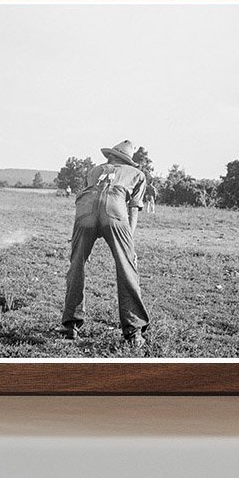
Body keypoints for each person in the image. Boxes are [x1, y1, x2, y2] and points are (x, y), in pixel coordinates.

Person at [60, 139, 149, 349]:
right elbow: (133, 208)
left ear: (111, 156)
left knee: (77, 265)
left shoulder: (94, 170)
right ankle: (133, 331)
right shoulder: (137, 174)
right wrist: (129, 241)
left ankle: (70, 325)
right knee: (126, 268)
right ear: (128, 160)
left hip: (85, 212)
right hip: (115, 211)